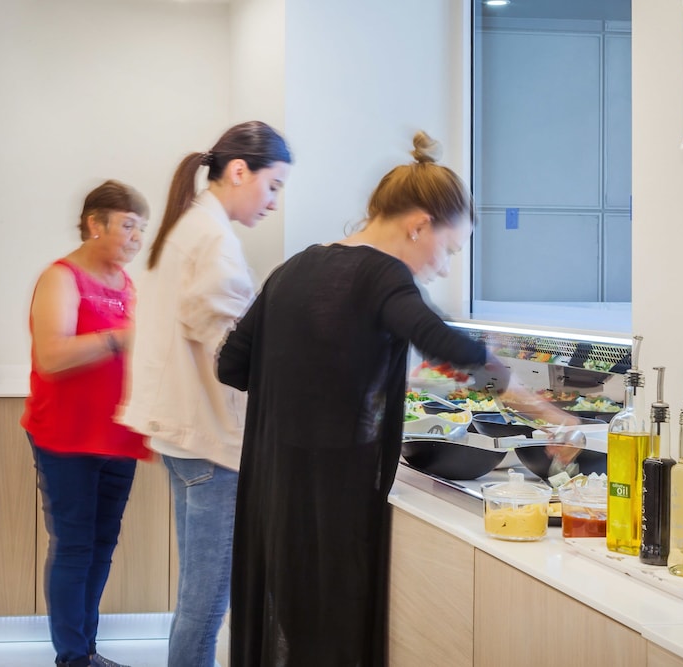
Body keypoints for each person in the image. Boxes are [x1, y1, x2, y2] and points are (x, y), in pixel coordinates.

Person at [217, 132, 534, 666]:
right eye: (450, 250)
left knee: (297, 636)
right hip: (336, 498)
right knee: (334, 642)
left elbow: (231, 364)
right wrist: (536, 404)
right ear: (419, 225)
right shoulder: (383, 275)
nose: (446, 267)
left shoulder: (295, 267)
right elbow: (442, 341)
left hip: (276, 493)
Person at [117, 121, 292, 667]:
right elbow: (232, 348)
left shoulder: (193, 226)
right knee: (207, 597)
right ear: (239, 171)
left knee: (200, 591)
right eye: (273, 186)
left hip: (186, 437)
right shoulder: (211, 238)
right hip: (209, 442)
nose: (274, 202)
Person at [21, 180, 150, 667]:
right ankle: (73, 658)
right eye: (129, 226)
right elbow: (52, 356)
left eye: (141, 229)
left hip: (117, 435)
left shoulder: (127, 284)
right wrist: (121, 337)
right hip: (66, 436)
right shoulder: (62, 277)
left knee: (101, 545)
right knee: (75, 546)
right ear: (95, 223)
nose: (137, 238)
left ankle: (86, 650)